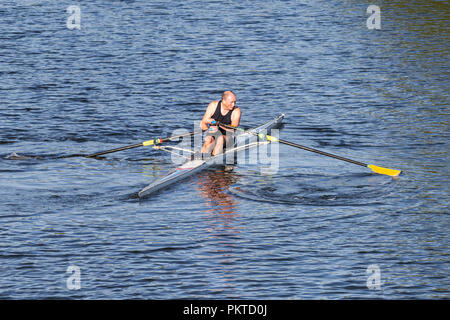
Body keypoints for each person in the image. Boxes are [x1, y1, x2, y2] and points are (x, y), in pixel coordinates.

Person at [200, 91, 241, 156]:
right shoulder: (213, 105)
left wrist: (218, 125)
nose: (233, 105)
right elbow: (203, 123)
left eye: (235, 102)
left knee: (220, 139)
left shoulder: (236, 111)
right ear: (224, 101)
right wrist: (208, 130)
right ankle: (200, 158)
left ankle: (214, 159)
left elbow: (233, 129)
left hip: (228, 137)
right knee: (208, 139)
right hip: (213, 134)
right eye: (231, 102)